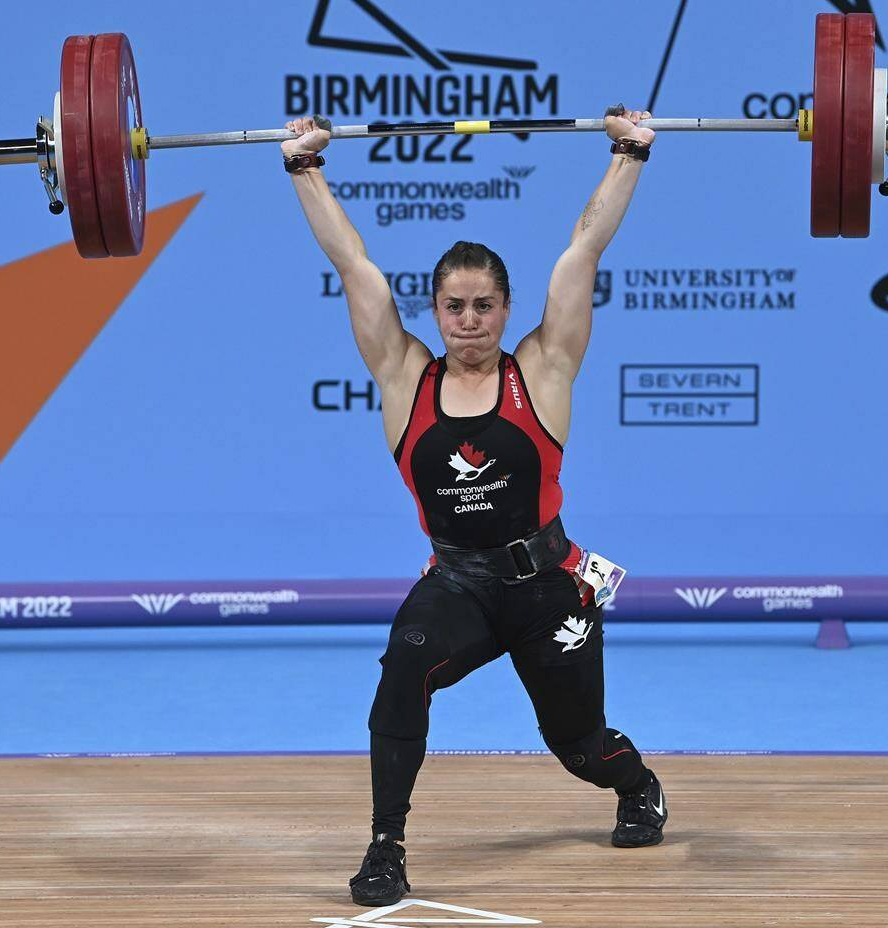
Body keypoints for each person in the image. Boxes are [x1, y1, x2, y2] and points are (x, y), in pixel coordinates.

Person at [282, 106, 666, 907]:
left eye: (484, 306)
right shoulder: (404, 379)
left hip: (550, 585)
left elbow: (584, 249)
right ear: (435, 311)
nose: (469, 322)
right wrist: (303, 167)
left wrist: (628, 151)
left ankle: (636, 784)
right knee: (401, 673)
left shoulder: (544, 370)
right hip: (457, 584)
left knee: (578, 747)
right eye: (454, 307)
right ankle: (386, 848)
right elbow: (355, 265)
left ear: (505, 307)